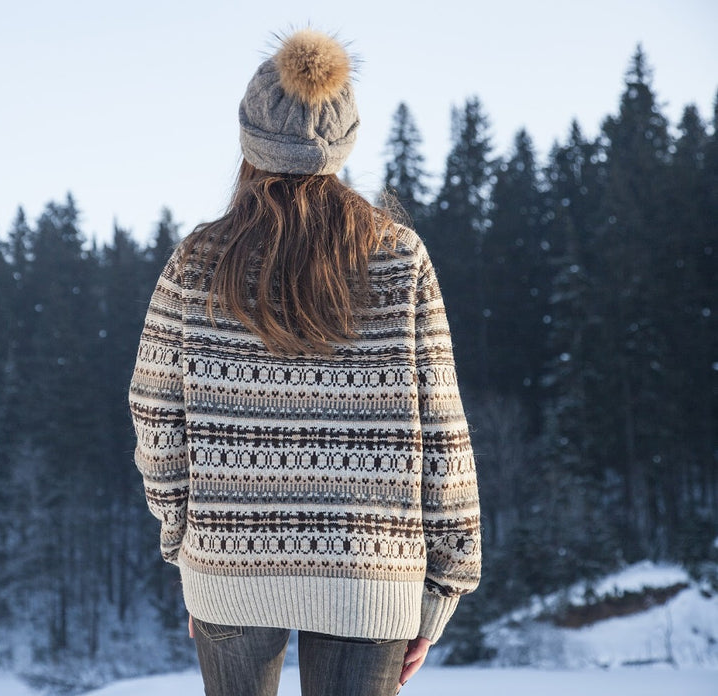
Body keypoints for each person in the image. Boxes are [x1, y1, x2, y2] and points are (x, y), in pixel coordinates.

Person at [128, 28, 481, 696]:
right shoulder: (399, 258)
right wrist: (442, 588)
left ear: (249, 139)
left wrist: (187, 547)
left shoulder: (196, 263)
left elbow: (156, 421)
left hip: (229, 562)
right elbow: (444, 432)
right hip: (370, 568)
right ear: (344, 141)